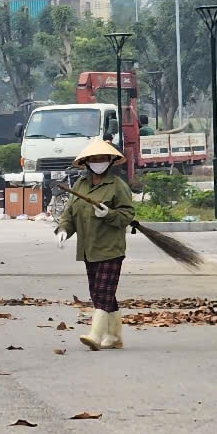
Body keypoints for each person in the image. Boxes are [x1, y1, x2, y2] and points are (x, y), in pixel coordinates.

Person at [55, 138, 136, 350]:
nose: (98, 162)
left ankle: (95, 335)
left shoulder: (118, 186)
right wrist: (63, 230)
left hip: (110, 248)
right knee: (100, 292)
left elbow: (127, 215)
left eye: (102, 158)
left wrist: (109, 214)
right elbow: (70, 214)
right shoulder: (80, 185)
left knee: (103, 292)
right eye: (94, 159)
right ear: (87, 162)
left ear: (110, 161)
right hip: (88, 249)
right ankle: (115, 336)